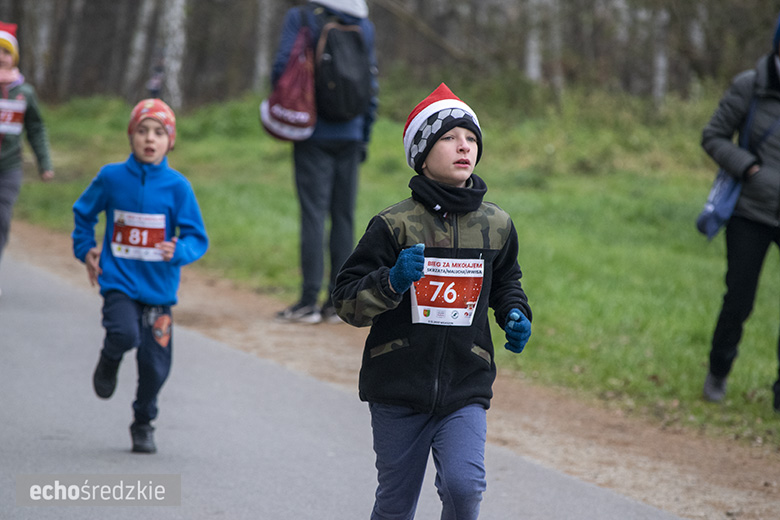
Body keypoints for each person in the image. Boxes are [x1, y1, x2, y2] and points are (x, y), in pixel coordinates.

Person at [331, 83, 532, 519]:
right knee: (396, 506)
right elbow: (346, 302)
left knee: (464, 490)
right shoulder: (394, 224)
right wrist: (392, 281)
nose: (464, 146)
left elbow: (506, 281)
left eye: (472, 139)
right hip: (398, 387)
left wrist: (514, 312)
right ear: (422, 155)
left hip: (465, 384)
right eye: (449, 137)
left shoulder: (496, 224)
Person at [72, 99, 209, 453]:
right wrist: (85, 246)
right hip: (118, 280)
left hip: (159, 289)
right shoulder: (111, 177)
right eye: (142, 131)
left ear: (171, 141)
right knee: (123, 332)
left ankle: (143, 421)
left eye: (159, 133)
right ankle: (110, 356)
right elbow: (84, 213)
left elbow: (197, 236)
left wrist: (179, 250)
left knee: (155, 365)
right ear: (131, 136)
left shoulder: (178, 187)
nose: (150, 139)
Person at [271, 0, 378, 324]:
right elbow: (371, 82)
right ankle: (338, 303)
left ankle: (307, 302)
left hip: (312, 132)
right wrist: (364, 133)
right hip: (352, 132)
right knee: (343, 216)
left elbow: (281, 67)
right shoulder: (365, 23)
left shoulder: (302, 17)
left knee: (314, 215)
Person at [701, 13, 780, 413]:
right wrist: (747, 166)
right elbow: (713, 135)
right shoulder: (750, 86)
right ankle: (718, 371)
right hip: (749, 212)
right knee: (740, 299)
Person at [0, 21, 54, 293]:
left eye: (6, 52)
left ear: (14, 58)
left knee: (2, 218)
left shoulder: (25, 93)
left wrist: (45, 164)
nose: (0, 57)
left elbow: (36, 128)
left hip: (9, 167)